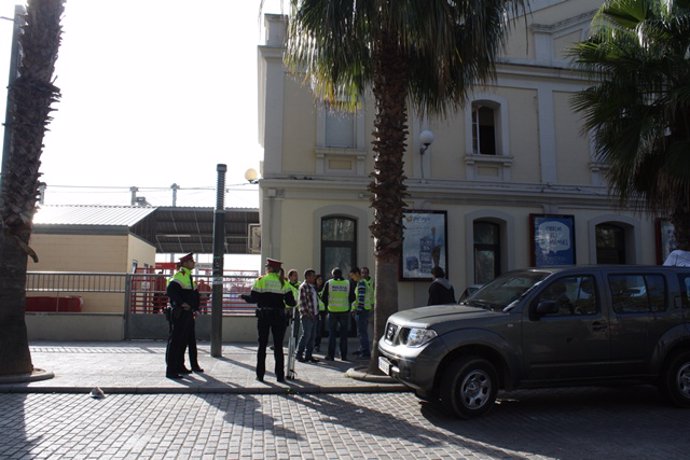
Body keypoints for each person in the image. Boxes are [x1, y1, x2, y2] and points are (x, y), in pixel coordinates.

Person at [241, 258, 296, 382]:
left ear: (270, 268)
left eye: (267, 267)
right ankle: (280, 376)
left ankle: (260, 375)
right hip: (279, 317)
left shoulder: (261, 280)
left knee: (262, 345)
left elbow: (253, 299)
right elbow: (290, 302)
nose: (266, 268)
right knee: (278, 346)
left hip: (264, 316)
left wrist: (244, 297)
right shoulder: (284, 282)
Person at [165, 253, 202, 378]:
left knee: (183, 341)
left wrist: (195, 308)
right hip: (180, 313)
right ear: (185, 263)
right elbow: (170, 291)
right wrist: (182, 303)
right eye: (191, 261)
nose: (194, 263)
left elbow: (195, 296)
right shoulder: (180, 275)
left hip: (188, 313)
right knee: (176, 341)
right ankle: (171, 370)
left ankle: (180, 366)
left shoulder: (189, 277)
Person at [321, 267, 354, 361]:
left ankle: (331, 356)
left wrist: (328, 306)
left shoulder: (329, 283)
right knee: (344, 335)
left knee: (332, 334)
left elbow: (323, 297)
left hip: (332, 311)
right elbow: (352, 297)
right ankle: (343, 356)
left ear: (333, 274)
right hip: (344, 311)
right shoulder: (348, 283)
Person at [296, 268, 319, 363]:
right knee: (306, 335)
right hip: (307, 316)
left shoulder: (312, 287)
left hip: (314, 314)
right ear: (307, 276)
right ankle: (299, 354)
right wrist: (308, 314)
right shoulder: (304, 287)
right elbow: (303, 303)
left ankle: (308, 355)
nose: (314, 277)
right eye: (312, 276)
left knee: (312, 336)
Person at [350, 267, 373, 359]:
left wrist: (358, 310)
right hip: (364, 309)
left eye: (352, 276)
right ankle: (363, 350)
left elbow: (361, 298)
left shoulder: (361, 283)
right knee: (361, 332)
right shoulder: (361, 283)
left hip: (362, 310)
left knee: (362, 332)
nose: (352, 278)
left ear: (357, 273)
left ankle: (365, 352)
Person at [313, 273, 327, 353]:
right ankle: (313, 344)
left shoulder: (324, 288)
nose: (320, 281)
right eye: (318, 279)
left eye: (321, 279)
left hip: (322, 311)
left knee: (319, 329)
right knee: (314, 329)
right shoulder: (313, 288)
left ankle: (317, 345)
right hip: (314, 311)